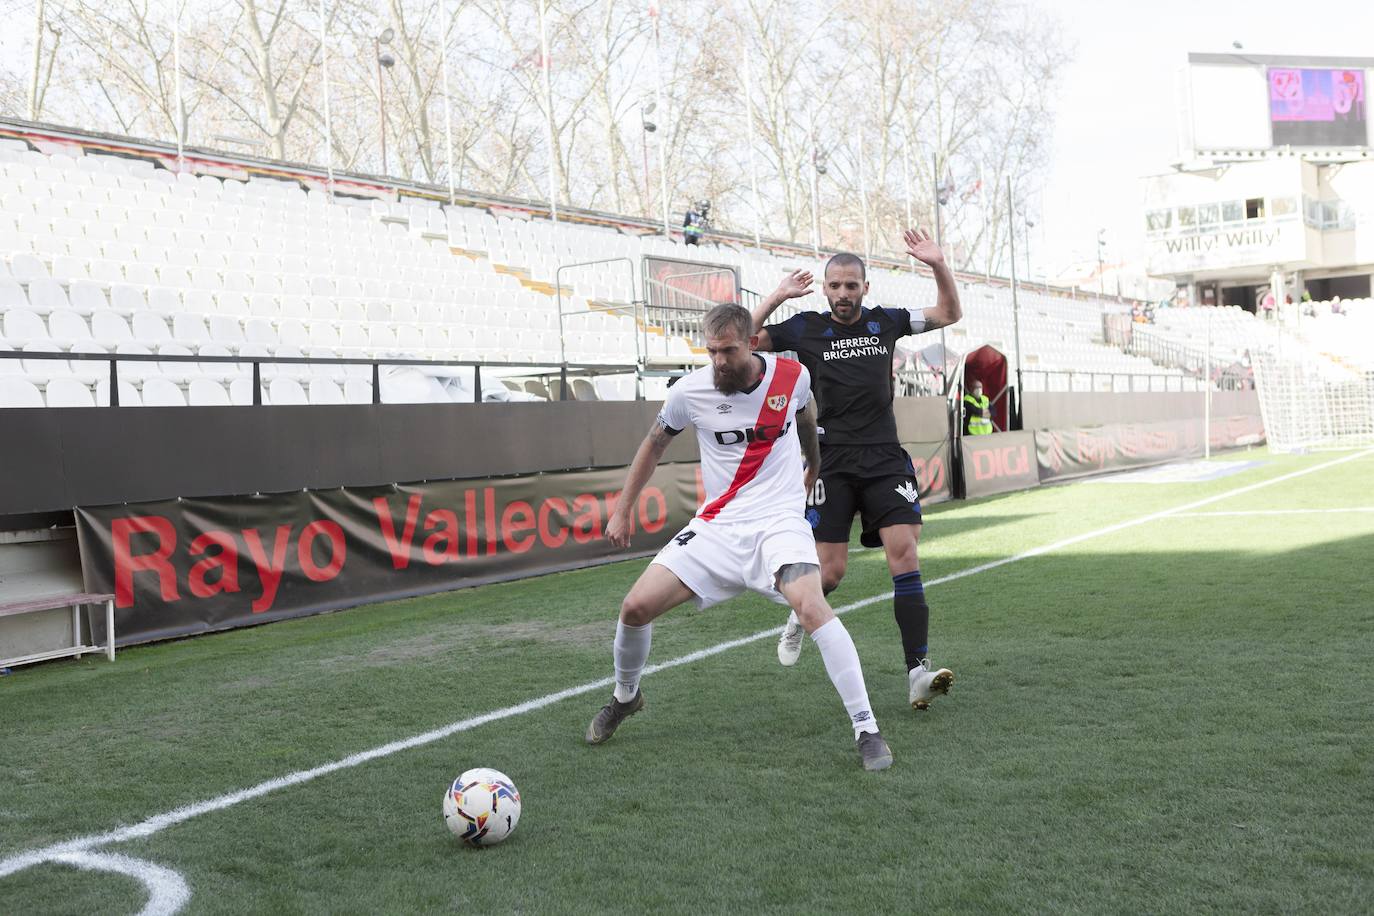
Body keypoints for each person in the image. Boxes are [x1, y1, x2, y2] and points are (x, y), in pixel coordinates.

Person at [584, 303, 894, 771]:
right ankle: (626, 697)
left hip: (778, 522)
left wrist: (813, 464)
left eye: (728, 350)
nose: (719, 362)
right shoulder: (690, 390)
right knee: (634, 608)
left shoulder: (792, 376)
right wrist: (622, 509)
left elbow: (807, 418)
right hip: (718, 527)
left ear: (752, 343)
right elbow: (654, 443)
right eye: (711, 352)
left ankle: (866, 728)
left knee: (811, 606)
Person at [750, 228, 962, 711]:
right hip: (831, 461)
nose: (843, 294)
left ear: (865, 288)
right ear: (824, 290)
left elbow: (949, 313)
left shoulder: (886, 322)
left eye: (852, 286)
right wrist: (779, 295)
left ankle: (917, 672)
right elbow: (743, 339)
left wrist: (937, 264)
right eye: (835, 286)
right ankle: (798, 615)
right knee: (831, 572)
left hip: (885, 456)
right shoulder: (804, 328)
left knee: (904, 554)